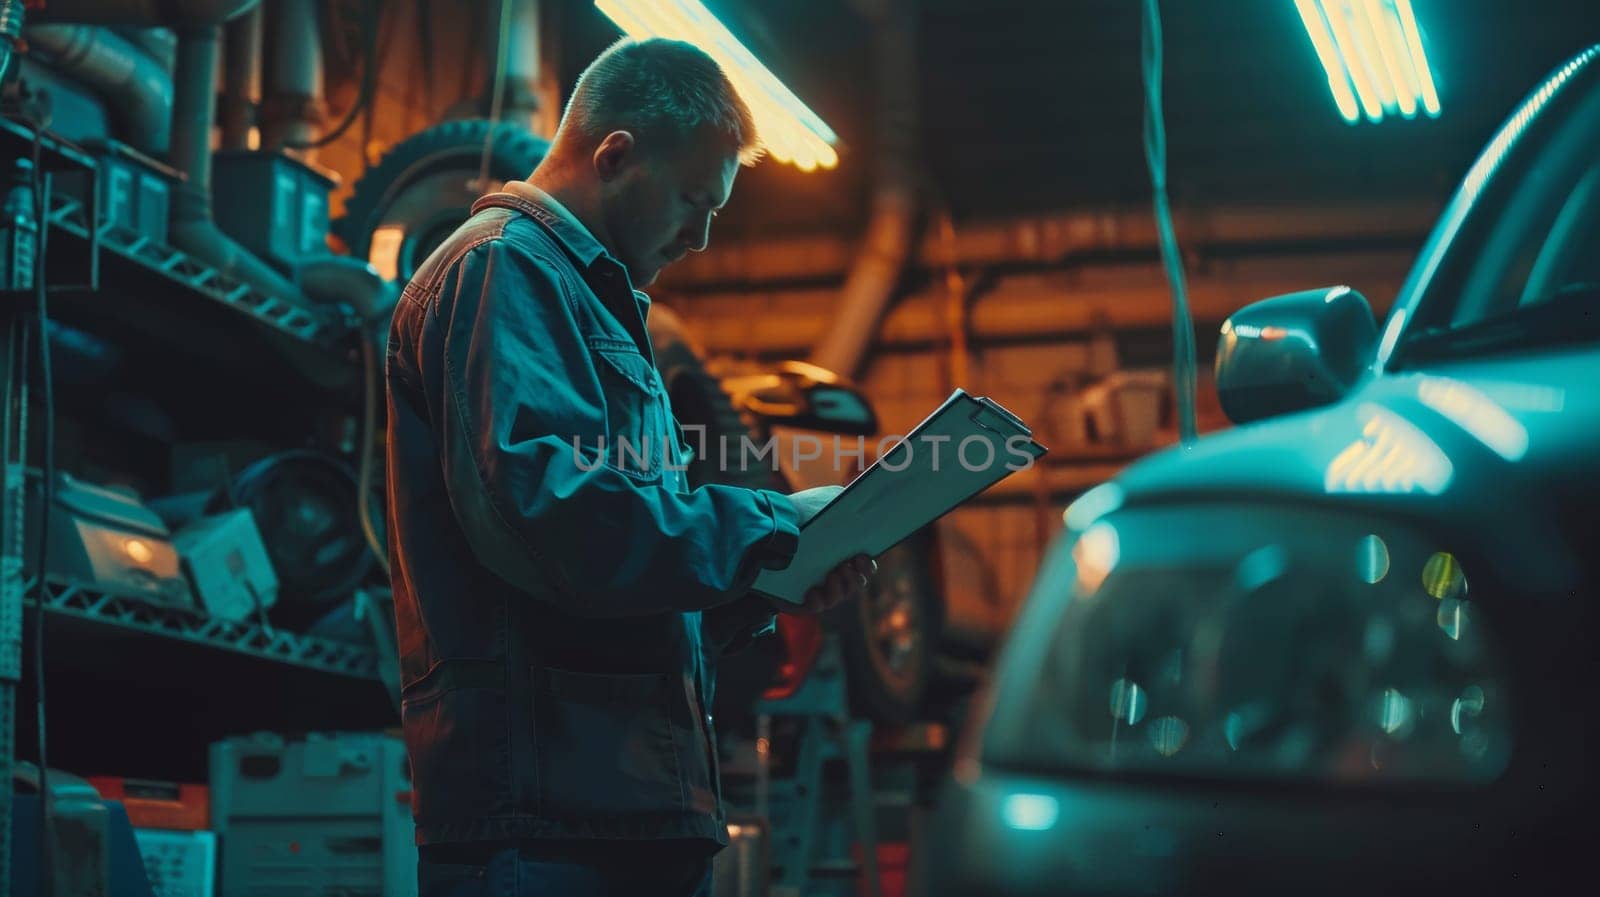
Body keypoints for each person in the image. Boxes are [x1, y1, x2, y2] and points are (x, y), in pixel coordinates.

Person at [384, 37, 874, 897]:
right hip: (543, 818)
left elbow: (617, 572)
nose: (701, 237)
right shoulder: (503, 267)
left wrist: (767, 581)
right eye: (694, 201)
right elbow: (558, 519)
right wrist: (773, 523)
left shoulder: (581, 297)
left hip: (610, 804)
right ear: (615, 157)